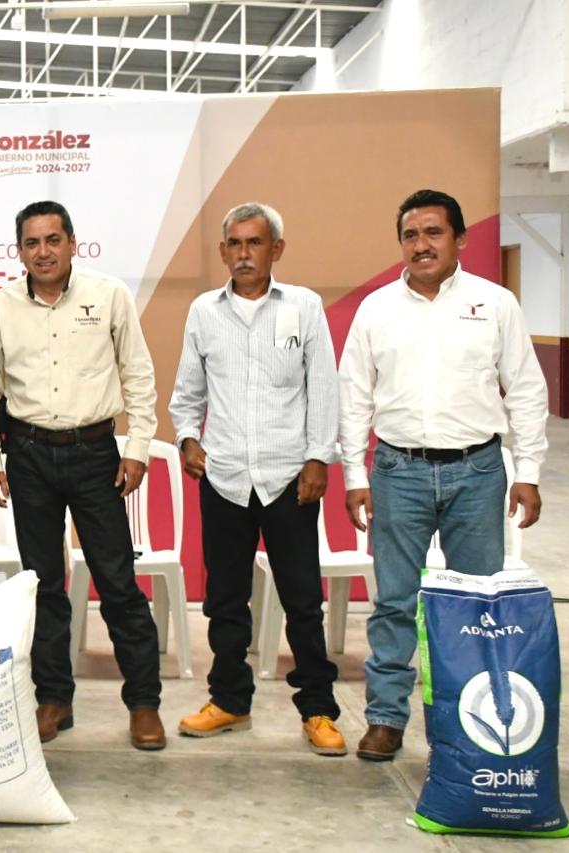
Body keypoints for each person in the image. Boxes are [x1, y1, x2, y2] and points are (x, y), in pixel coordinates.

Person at [339, 188, 549, 761]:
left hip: (477, 473)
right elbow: (353, 395)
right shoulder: (376, 309)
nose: (421, 244)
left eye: (433, 232)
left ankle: (472, 724)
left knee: (477, 606)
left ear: (460, 239)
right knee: (394, 603)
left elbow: (526, 389)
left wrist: (528, 469)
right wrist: (355, 474)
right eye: (410, 235)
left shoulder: (495, 303)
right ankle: (385, 718)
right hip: (397, 471)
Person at [0, 200, 166, 751]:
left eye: (53, 240)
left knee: (118, 582)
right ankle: (53, 698)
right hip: (28, 456)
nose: (43, 252)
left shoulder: (109, 295)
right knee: (42, 585)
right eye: (32, 243)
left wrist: (137, 448)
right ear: (19, 251)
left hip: (94, 455)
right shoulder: (2, 305)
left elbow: (138, 374)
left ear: (72, 243)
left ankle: (144, 703)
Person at [169, 202, 346, 756]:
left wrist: (318, 458)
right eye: (235, 243)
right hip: (223, 477)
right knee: (224, 601)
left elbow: (324, 388)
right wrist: (187, 438)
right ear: (223, 251)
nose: (244, 253)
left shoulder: (304, 306)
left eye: (255, 242)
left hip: (289, 478)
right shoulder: (204, 311)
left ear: (276, 249)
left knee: (302, 601)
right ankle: (229, 702)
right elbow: (187, 393)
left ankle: (318, 709)